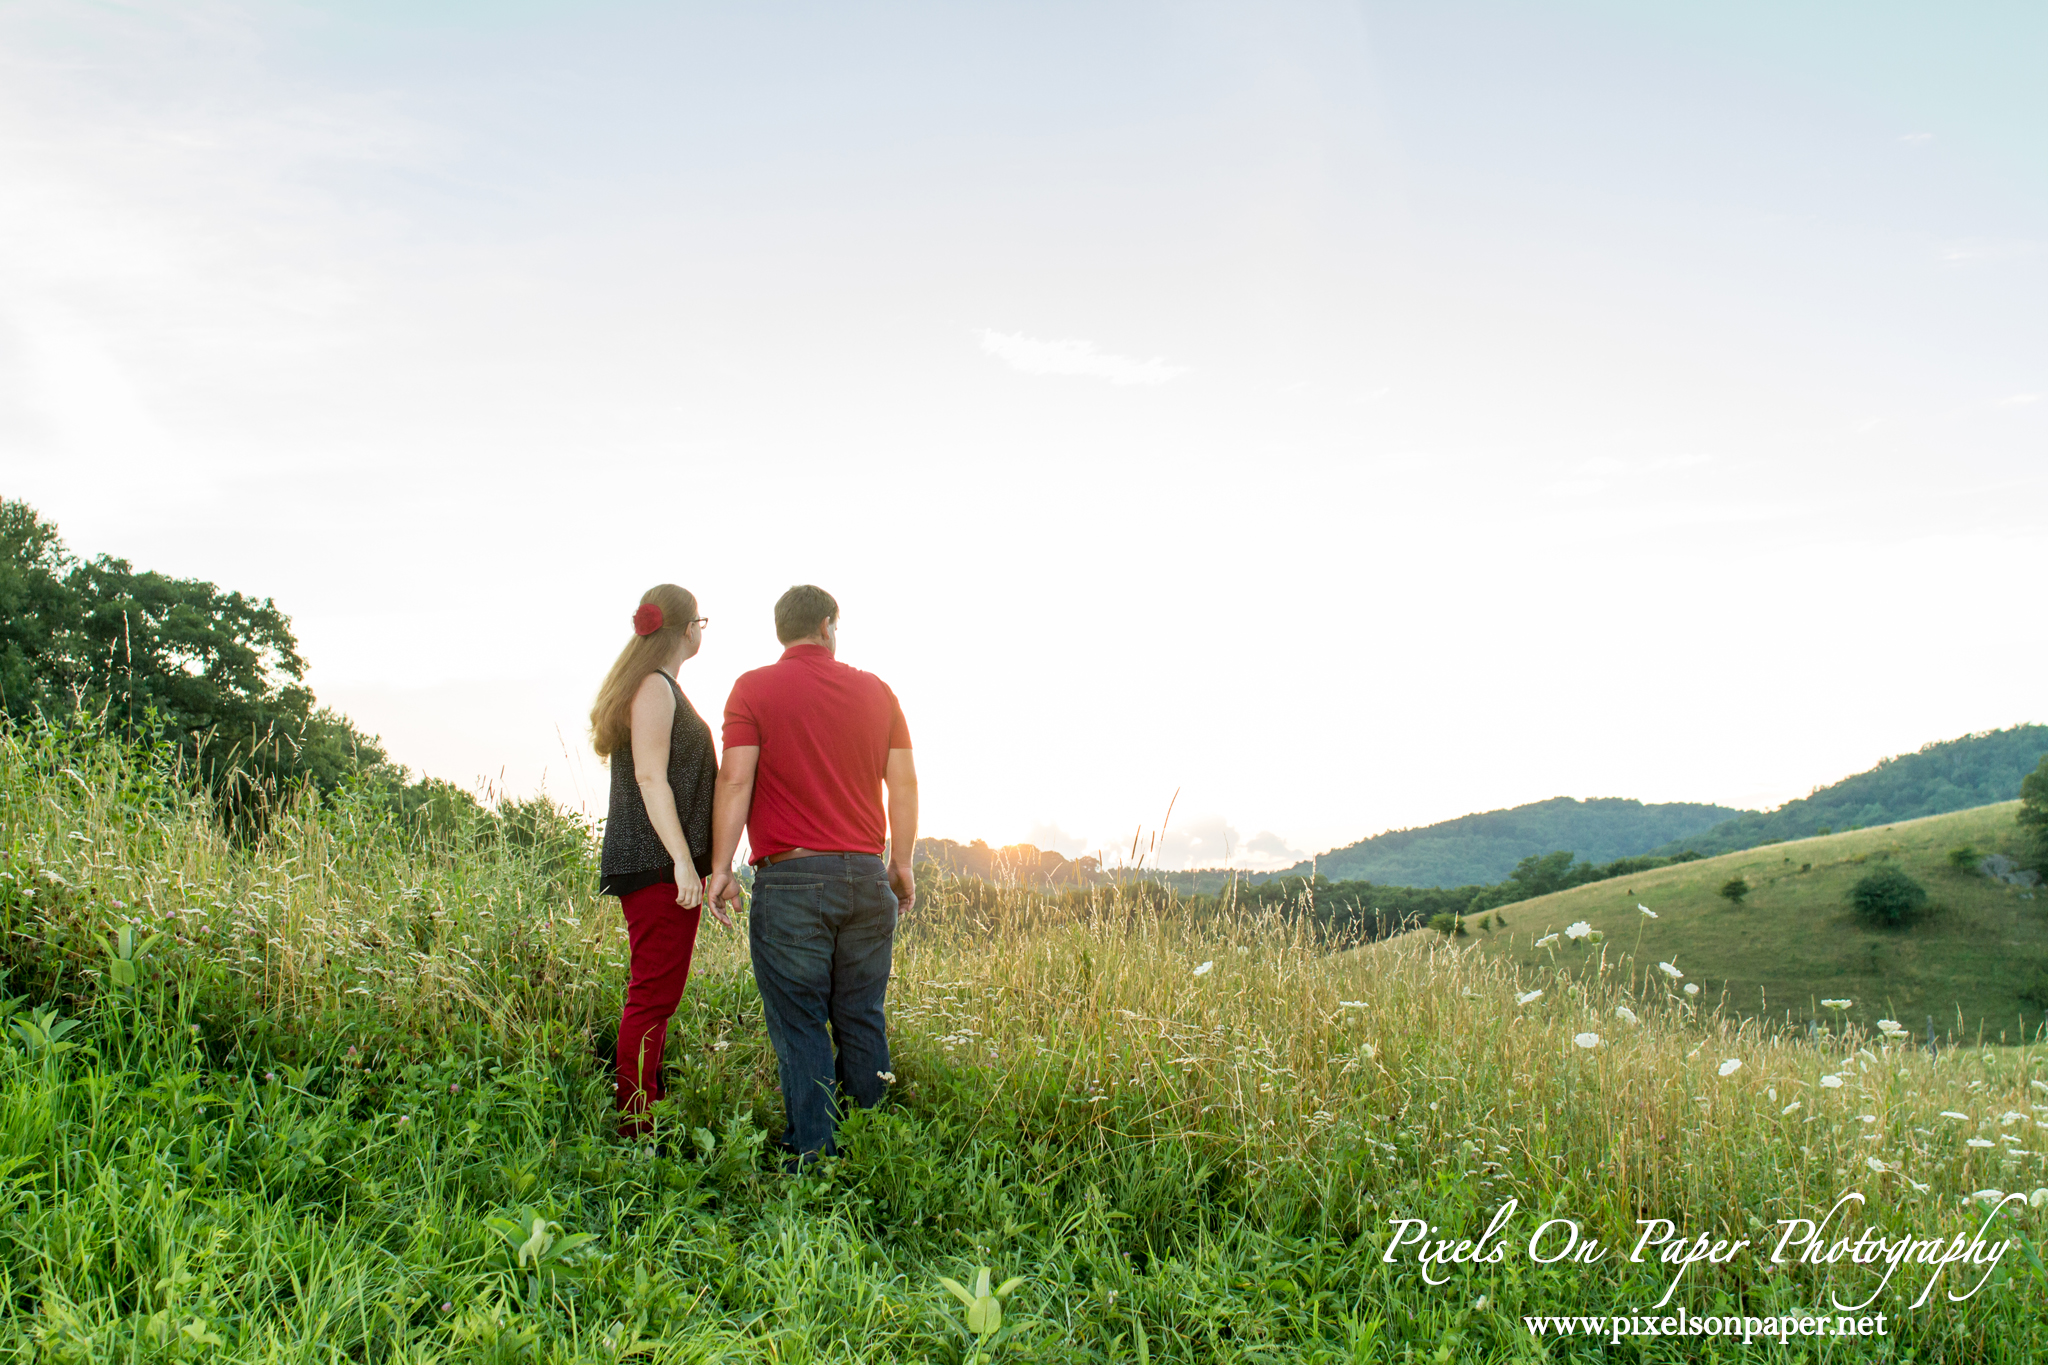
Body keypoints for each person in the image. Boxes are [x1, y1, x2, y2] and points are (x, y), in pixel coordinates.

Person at [707, 584, 917, 1163]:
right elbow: (903, 783)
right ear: (828, 625)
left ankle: (815, 1160)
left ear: (783, 631)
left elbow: (734, 779)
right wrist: (900, 863)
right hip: (868, 877)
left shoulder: (752, 689)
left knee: (801, 1023)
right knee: (861, 1015)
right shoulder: (878, 691)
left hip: (792, 878)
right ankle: (872, 1149)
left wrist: (721, 868)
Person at [590, 583, 732, 1138]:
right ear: (685, 627)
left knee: (658, 994)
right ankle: (636, 1127)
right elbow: (650, 778)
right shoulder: (654, 687)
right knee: (652, 996)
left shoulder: (660, 685)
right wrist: (680, 860)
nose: (703, 630)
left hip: (661, 863)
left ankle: (646, 1107)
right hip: (655, 864)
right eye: (702, 620)